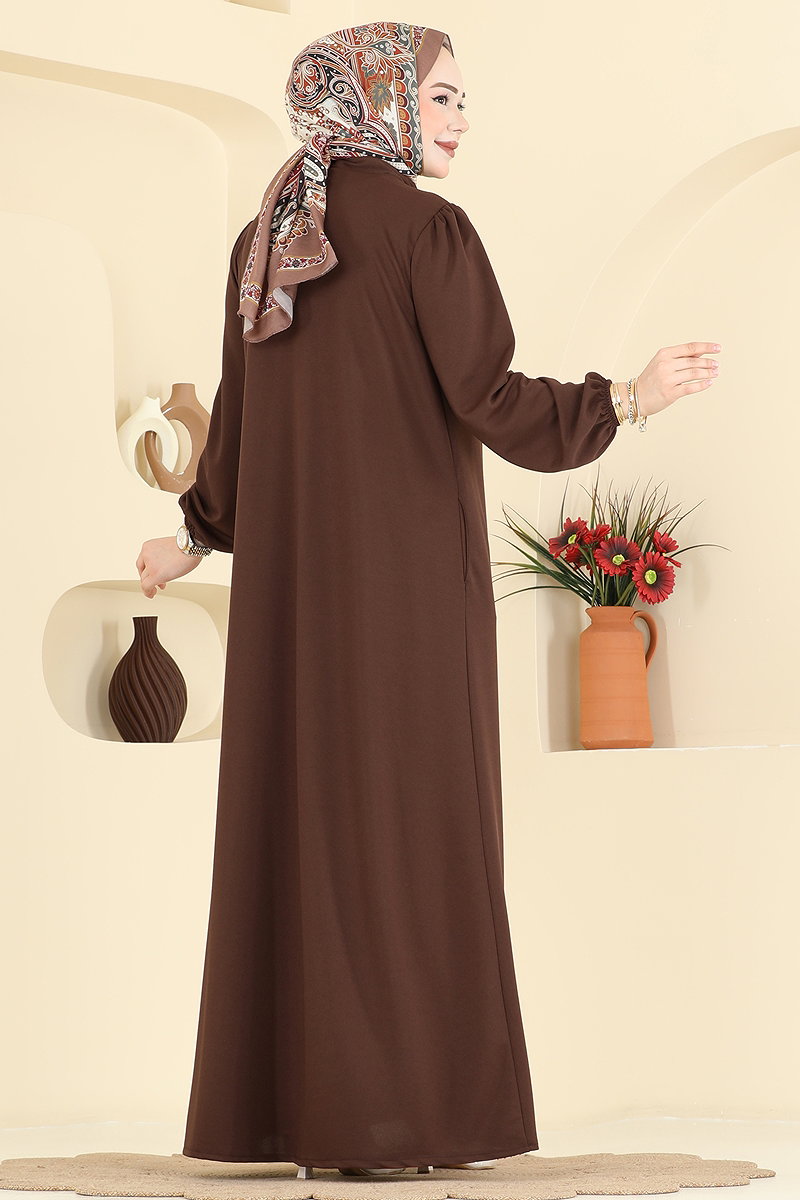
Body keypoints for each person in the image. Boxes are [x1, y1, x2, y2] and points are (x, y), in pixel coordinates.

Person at [136, 21, 721, 1178]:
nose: (459, 119)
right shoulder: (424, 230)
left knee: (306, 826)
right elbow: (490, 399)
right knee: (412, 827)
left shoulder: (267, 238)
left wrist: (195, 538)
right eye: (442, 96)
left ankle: (308, 1121)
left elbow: (238, 431)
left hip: (291, 608)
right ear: (380, 100)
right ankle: (400, 1119)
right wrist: (627, 397)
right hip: (402, 594)